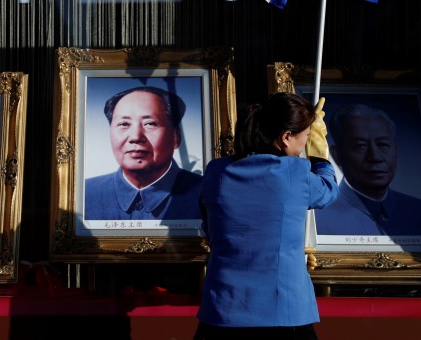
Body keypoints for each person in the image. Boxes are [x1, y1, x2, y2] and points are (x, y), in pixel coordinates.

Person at [194, 92, 339, 339]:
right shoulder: (296, 171)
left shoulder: (217, 171)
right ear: (285, 137)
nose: (304, 144)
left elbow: (211, 229)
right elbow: (328, 191)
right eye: (305, 138)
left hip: (223, 313)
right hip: (284, 314)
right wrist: (319, 154)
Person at [315, 104, 421, 236]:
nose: (375, 157)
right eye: (360, 146)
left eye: (383, 145)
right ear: (336, 155)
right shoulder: (317, 217)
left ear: (395, 151)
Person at [84, 86, 203, 220]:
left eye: (150, 123)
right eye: (124, 124)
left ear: (176, 137)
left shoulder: (208, 193)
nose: (135, 137)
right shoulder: (83, 194)